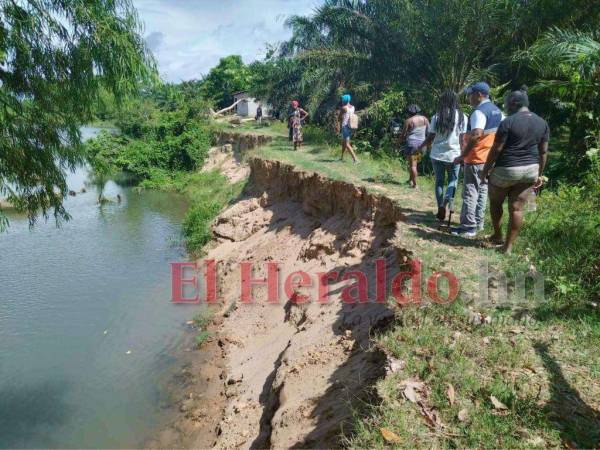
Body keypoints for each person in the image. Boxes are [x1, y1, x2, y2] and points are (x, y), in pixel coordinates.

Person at [480, 88, 549, 253]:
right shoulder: (542, 123)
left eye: (506, 103)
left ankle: (497, 235)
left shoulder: (508, 122)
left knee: (496, 203)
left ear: (513, 104)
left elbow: (496, 150)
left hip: (506, 169)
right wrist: (539, 174)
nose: (505, 106)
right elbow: (543, 152)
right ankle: (508, 247)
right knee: (517, 208)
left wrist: (485, 171)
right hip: (530, 170)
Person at [452, 82, 504, 237]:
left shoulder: (479, 112)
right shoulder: (497, 111)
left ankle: (468, 227)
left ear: (479, 95)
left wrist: (463, 155)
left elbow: (476, 135)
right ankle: (478, 223)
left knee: (470, 192)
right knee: (482, 191)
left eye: (470, 94)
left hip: (476, 158)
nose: (468, 98)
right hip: (489, 159)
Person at [419, 91, 468, 220]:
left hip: (437, 154)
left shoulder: (437, 116)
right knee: (453, 180)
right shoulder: (462, 117)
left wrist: (421, 146)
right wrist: (463, 155)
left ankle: (440, 205)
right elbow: (463, 139)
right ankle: (447, 203)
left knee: (439, 182)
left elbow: (431, 136)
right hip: (454, 155)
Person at [402, 104, 429, 188]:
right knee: (415, 163)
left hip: (412, 145)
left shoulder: (409, 121)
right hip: (421, 145)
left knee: (412, 165)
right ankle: (410, 180)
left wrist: (397, 142)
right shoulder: (425, 119)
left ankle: (415, 185)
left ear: (409, 112)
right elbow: (429, 132)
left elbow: (403, 134)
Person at [338, 94, 359, 163]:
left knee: (347, 144)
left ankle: (355, 159)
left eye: (342, 99)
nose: (342, 101)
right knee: (344, 143)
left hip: (345, 127)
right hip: (351, 126)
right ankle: (341, 157)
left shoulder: (344, 108)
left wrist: (340, 118)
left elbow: (339, 118)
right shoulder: (353, 107)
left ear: (345, 100)